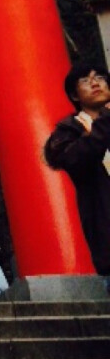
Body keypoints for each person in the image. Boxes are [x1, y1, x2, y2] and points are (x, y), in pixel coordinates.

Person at [44, 63, 110, 295]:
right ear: (74, 95)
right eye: (85, 80)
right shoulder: (68, 133)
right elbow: (77, 158)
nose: (95, 83)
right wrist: (105, 120)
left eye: (100, 77)